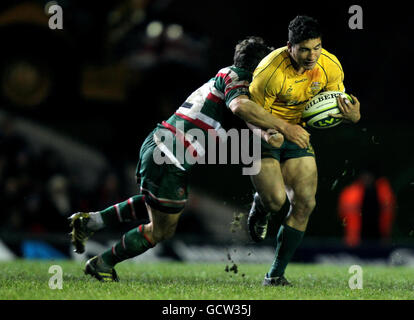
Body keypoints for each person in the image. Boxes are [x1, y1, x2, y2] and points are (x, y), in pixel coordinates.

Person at [69, 36, 290, 282]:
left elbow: (244, 115)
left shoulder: (226, 78)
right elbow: (240, 106)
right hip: (171, 156)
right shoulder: (238, 78)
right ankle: (102, 263)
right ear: (258, 67)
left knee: (156, 205)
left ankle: (91, 222)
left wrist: (265, 130)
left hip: (160, 146)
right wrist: (277, 127)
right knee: (162, 229)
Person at [246, 15, 361, 286]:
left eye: (317, 47)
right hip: (262, 133)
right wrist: (270, 132)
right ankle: (260, 206)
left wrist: (352, 116)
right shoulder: (269, 71)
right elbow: (249, 114)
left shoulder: (330, 65)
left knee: (306, 203)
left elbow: (336, 105)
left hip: (296, 135)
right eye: (305, 49)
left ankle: (275, 275)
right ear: (290, 47)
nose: (312, 55)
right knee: (275, 201)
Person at [338, 171, 396, 247]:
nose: (367, 179)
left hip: (379, 237)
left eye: (369, 176)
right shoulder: (351, 193)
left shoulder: (383, 192)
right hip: (355, 238)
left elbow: (389, 214)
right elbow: (342, 213)